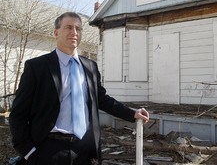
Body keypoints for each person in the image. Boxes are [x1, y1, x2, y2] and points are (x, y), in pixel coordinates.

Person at [9, 12, 149, 165]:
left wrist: (132, 114)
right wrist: (29, 152)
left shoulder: (90, 66)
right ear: (56, 32)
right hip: (47, 150)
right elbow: (18, 114)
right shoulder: (37, 67)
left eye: (78, 28)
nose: (74, 33)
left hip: (83, 150)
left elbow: (101, 99)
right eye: (68, 27)